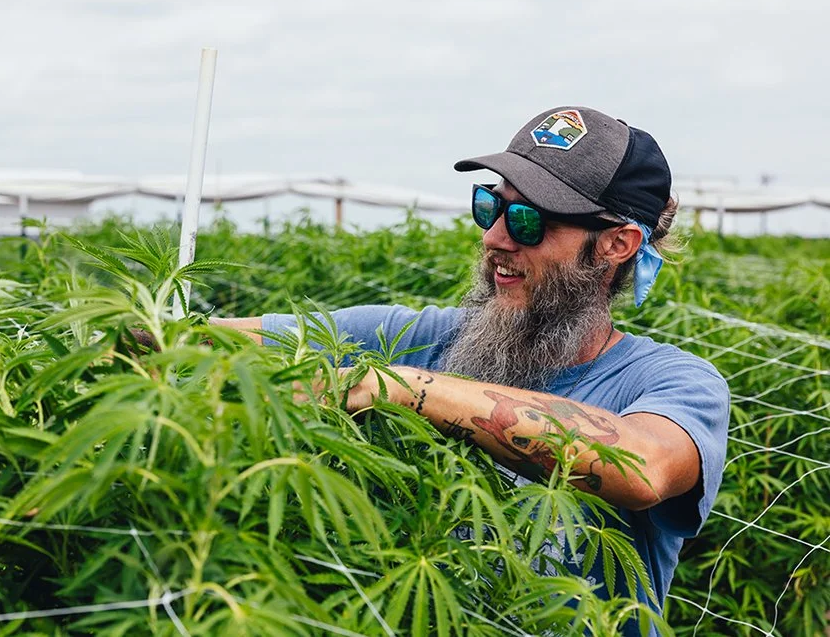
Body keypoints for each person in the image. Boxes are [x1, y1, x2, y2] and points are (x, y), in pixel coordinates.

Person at [214, 106, 730, 630]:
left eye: (530, 221)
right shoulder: (424, 338)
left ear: (617, 245)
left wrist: (396, 388)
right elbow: (221, 340)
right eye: (491, 206)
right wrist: (145, 328)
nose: (496, 238)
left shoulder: (673, 381)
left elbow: (643, 467)